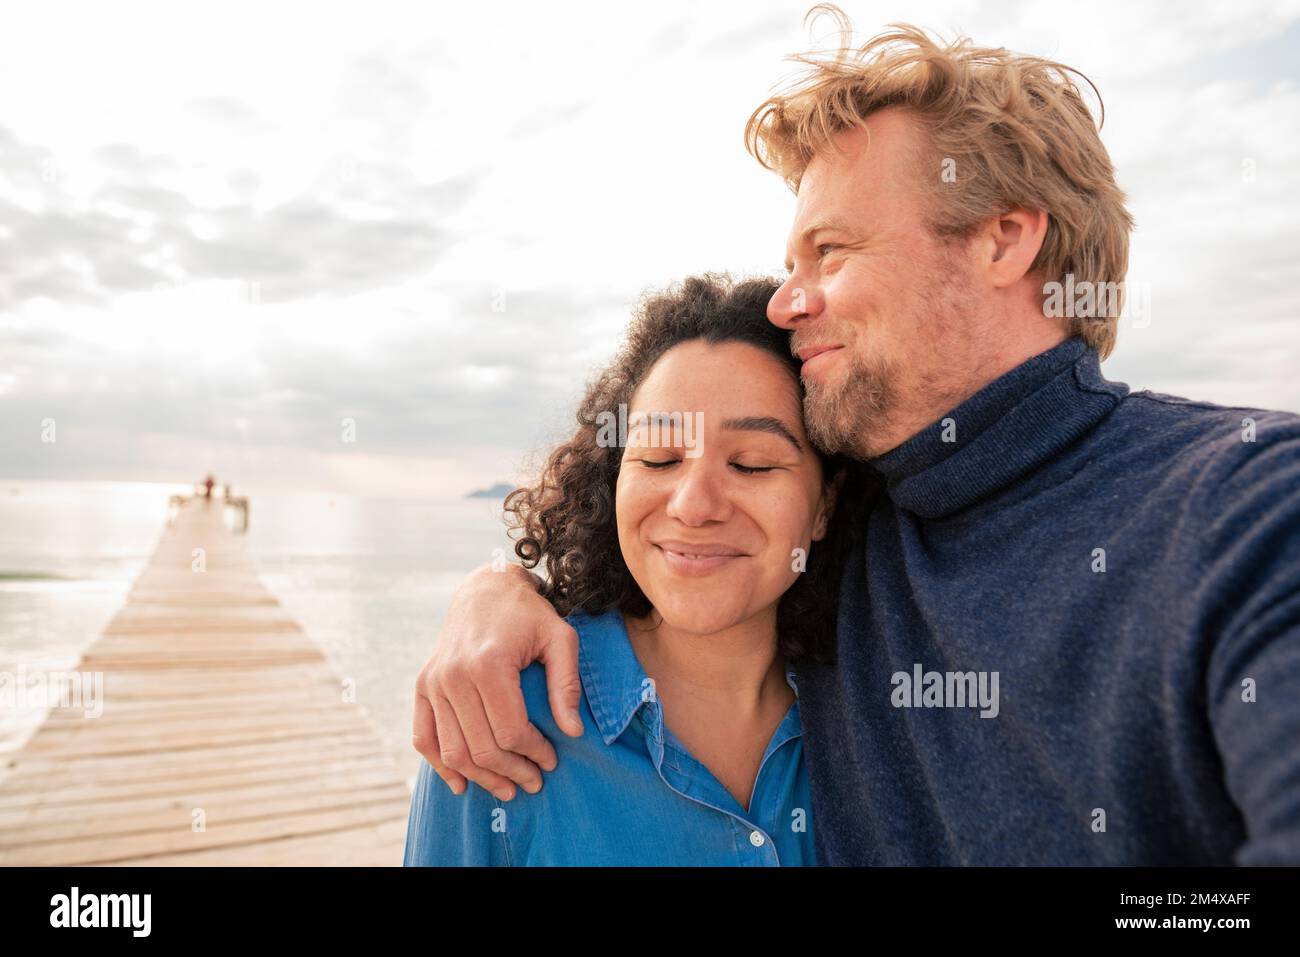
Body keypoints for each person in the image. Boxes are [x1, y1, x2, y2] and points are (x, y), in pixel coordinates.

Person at [412, 10, 1300, 865]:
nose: (784, 301)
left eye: (829, 252)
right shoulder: (857, 537)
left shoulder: (1249, 504)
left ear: (1004, 239)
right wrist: (497, 591)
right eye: (792, 263)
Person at [404, 275, 870, 865]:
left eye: (751, 465)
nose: (694, 504)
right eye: (659, 457)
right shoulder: (499, 716)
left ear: (825, 505)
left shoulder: (872, 714)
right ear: (614, 477)